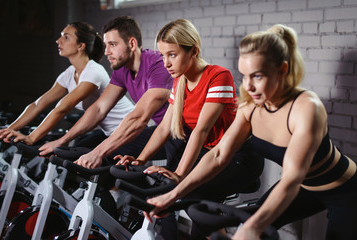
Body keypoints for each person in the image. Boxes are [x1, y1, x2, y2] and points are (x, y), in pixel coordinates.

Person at [145, 24, 357, 240]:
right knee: (253, 228)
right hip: (304, 188)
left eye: (257, 76)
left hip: (344, 192)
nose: (249, 87)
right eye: (244, 76)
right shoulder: (249, 108)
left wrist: (251, 228)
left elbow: (292, 178)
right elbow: (218, 155)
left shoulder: (306, 107)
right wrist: (173, 194)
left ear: (282, 70)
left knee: (252, 228)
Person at [117, 19, 263, 239]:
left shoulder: (218, 76)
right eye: (163, 55)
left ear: (193, 51)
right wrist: (140, 160)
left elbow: (201, 130)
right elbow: (164, 126)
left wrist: (179, 175)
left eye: (172, 55)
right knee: (189, 203)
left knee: (190, 195)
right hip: (210, 154)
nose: (166, 63)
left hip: (238, 157)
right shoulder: (180, 81)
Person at [38, 16, 173, 168]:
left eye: (113, 44)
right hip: (164, 129)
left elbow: (139, 119)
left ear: (132, 43)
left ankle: (123, 190)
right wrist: (61, 141)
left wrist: (98, 153)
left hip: (181, 133)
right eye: (105, 45)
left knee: (110, 154)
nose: (107, 52)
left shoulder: (158, 66)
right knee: (84, 151)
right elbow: (99, 109)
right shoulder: (122, 69)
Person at [0, 22, 134, 147]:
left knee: (76, 157)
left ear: (81, 46)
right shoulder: (70, 73)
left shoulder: (93, 72)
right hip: (110, 133)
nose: (58, 40)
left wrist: (32, 138)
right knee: (72, 153)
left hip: (130, 130)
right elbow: (38, 104)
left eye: (66, 37)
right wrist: (8, 129)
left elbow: (62, 108)